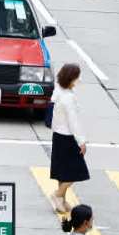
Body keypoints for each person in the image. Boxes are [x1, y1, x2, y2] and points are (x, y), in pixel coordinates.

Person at [48, 64, 89, 214]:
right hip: (68, 137)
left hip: (57, 136)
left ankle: (62, 202)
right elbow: (73, 123)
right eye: (77, 77)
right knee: (77, 171)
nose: (78, 80)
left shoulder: (58, 91)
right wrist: (81, 142)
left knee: (62, 172)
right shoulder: (68, 98)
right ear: (71, 79)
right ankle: (57, 195)